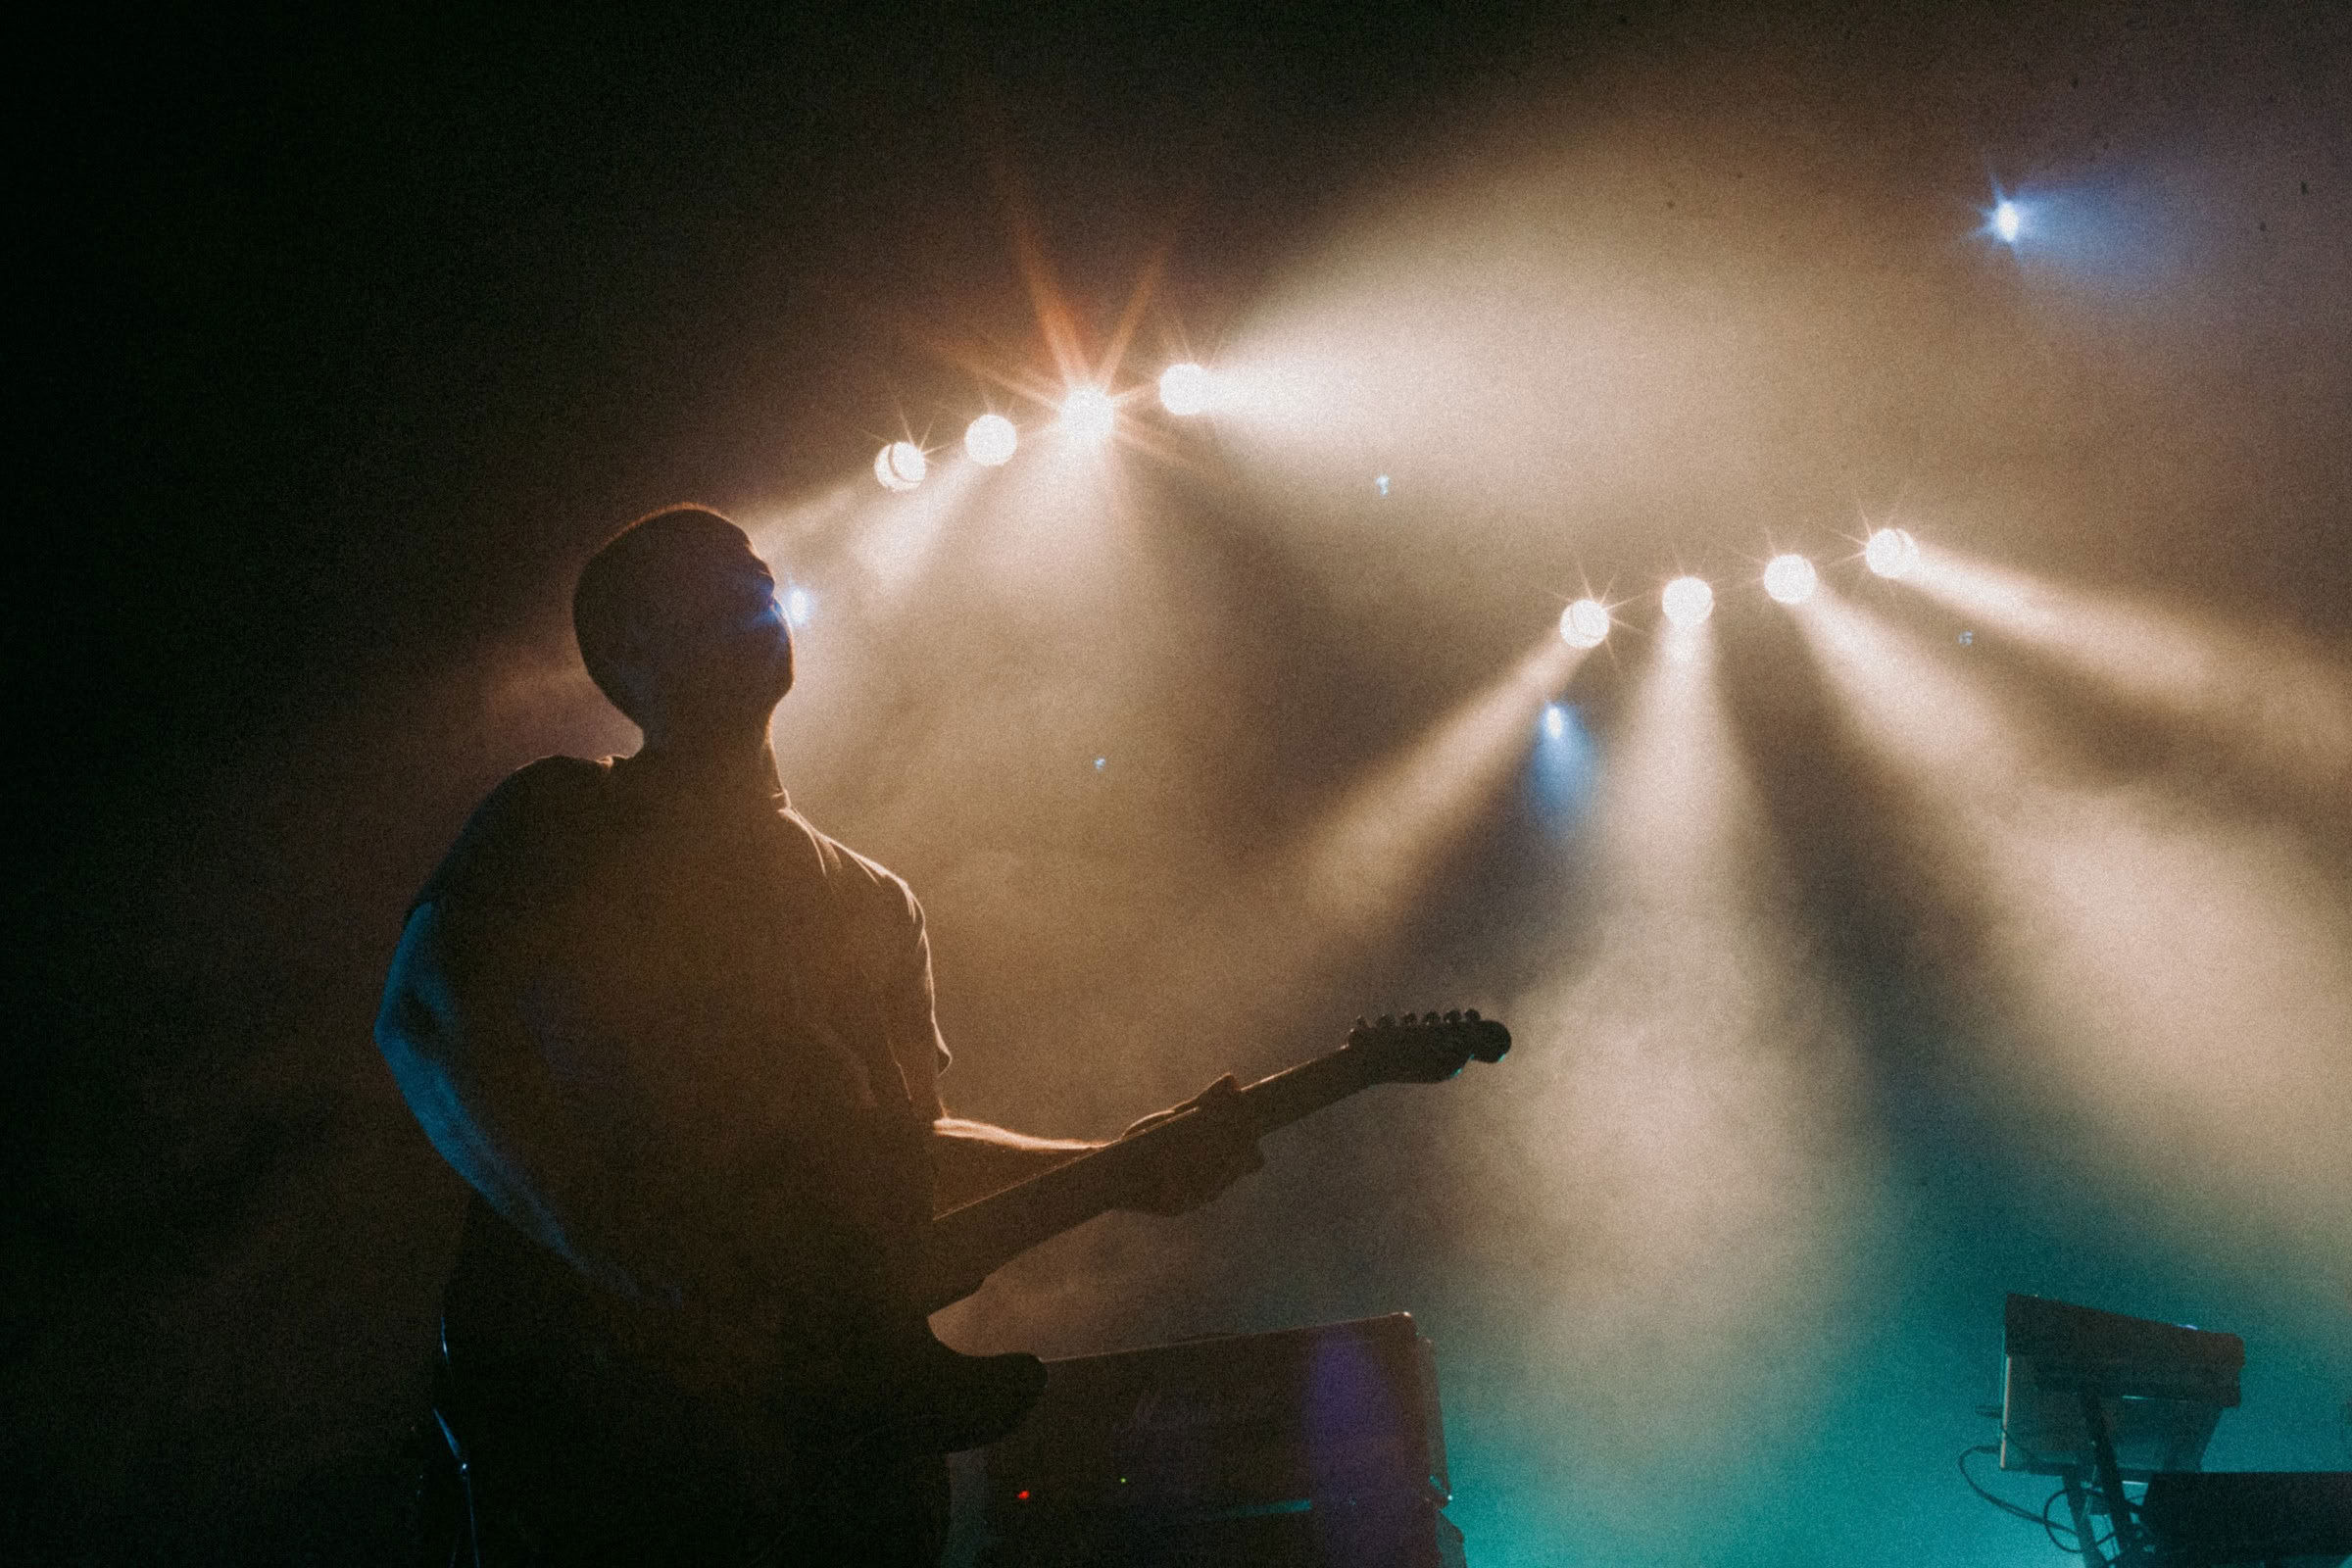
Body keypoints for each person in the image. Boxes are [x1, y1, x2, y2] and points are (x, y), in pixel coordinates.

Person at [375, 505, 1261, 1566]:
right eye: (710, 588)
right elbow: (423, 1023)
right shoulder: (561, 819)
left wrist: (1115, 1165)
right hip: (602, 1424)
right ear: (627, 652)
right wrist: (608, 1245)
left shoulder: (873, 901)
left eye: (756, 572)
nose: (754, 595)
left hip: (820, 1453)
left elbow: (903, 1161)